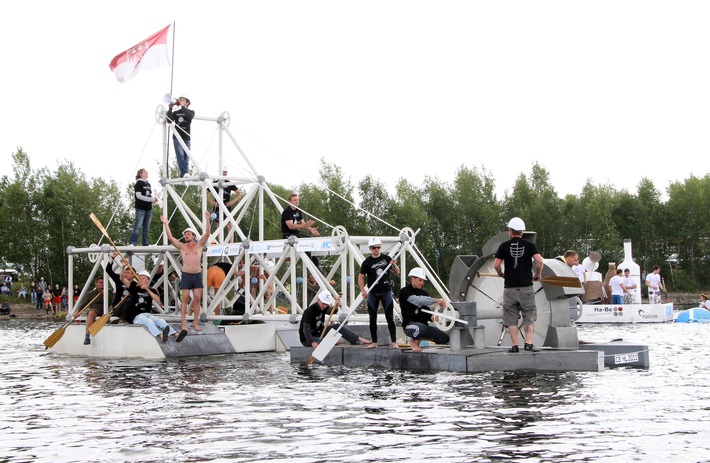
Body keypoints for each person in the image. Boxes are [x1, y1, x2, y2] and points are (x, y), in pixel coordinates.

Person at [493, 217, 544, 353]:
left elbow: (496, 264)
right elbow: (539, 261)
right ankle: (528, 344)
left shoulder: (503, 246)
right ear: (522, 231)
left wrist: (501, 273)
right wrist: (538, 274)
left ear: (510, 231)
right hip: (526, 287)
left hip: (509, 288)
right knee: (528, 315)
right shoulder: (529, 245)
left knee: (511, 318)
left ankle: (515, 346)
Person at [160, 211, 211, 332]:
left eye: (188, 234)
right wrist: (166, 224)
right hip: (187, 275)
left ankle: (195, 322)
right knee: (185, 298)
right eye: (185, 234)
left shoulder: (199, 245)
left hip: (197, 275)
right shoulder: (182, 247)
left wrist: (208, 220)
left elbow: (207, 234)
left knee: (197, 298)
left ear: (193, 236)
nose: (186, 236)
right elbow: (171, 238)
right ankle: (183, 322)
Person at [358, 237, 400, 348]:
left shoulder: (387, 259)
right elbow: (361, 277)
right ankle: (374, 342)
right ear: (370, 249)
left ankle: (394, 342)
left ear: (380, 247)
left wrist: (394, 265)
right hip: (373, 292)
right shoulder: (366, 262)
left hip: (386, 291)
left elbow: (397, 272)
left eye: (378, 247)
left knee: (389, 317)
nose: (376, 249)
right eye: (373, 248)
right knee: (372, 318)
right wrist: (363, 290)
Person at [124, 271, 186, 343]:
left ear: (148, 280)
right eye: (139, 278)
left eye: (143, 278)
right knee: (149, 322)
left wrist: (147, 289)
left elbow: (157, 300)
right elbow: (123, 279)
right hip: (137, 316)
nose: (140, 280)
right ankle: (161, 336)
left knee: (160, 321)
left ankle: (176, 334)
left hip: (148, 314)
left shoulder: (152, 290)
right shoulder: (134, 288)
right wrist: (123, 267)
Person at [398, 267, 450, 352]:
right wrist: (435, 300)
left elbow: (426, 310)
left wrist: (433, 317)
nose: (422, 283)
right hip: (410, 325)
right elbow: (418, 301)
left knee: (444, 338)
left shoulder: (423, 293)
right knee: (420, 328)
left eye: (423, 281)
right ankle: (412, 342)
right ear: (412, 278)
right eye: (420, 280)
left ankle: (420, 338)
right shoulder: (405, 292)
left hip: (424, 326)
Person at [299, 291, 371, 348]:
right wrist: (312, 342)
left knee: (337, 326)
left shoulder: (325, 307)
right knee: (325, 341)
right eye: (323, 304)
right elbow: (306, 329)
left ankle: (357, 339)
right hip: (308, 338)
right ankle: (331, 342)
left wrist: (336, 306)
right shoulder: (309, 311)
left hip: (320, 332)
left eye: (326, 304)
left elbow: (331, 311)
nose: (324, 306)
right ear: (318, 300)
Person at [281, 193, 320, 268]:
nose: (297, 201)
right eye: (294, 200)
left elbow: (303, 224)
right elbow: (291, 226)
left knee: (311, 240)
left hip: (296, 235)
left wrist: (311, 229)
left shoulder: (298, 211)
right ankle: (309, 263)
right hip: (288, 236)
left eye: (298, 200)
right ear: (289, 201)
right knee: (304, 242)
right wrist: (305, 225)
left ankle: (314, 261)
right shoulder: (287, 211)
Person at [208, 169, 242, 240]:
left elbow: (239, 193)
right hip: (218, 206)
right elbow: (205, 192)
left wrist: (232, 202)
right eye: (223, 172)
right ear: (220, 172)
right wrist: (212, 202)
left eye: (226, 172)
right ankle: (220, 242)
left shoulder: (229, 183)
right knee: (219, 224)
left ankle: (231, 243)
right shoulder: (215, 183)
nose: (224, 174)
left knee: (229, 225)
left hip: (227, 206)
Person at [129, 168, 159, 246]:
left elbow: (149, 194)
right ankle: (133, 242)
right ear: (141, 174)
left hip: (148, 208)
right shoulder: (138, 184)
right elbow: (139, 196)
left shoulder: (148, 184)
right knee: (137, 226)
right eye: (145, 172)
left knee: (146, 227)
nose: (147, 173)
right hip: (141, 208)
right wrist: (151, 199)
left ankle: (145, 243)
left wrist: (154, 199)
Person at [72, 276, 106, 345]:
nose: (102, 284)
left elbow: (114, 302)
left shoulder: (109, 292)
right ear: (96, 284)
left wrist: (105, 295)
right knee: (91, 313)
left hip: (106, 310)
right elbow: (83, 304)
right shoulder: (90, 294)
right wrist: (77, 312)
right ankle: (87, 336)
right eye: (100, 283)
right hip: (95, 310)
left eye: (103, 283)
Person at [167, 96, 195, 178]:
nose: (181, 101)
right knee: (180, 155)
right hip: (177, 136)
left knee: (187, 157)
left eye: (183, 100)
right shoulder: (176, 112)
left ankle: (183, 174)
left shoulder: (191, 112)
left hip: (186, 136)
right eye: (180, 100)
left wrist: (183, 107)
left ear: (187, 103)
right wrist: (170, 109)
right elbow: (169, 120)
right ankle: (184, 173)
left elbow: (189, 116)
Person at [105, 254, 133, 323]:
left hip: (129, 309)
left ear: (133, 275)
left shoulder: (135, 285)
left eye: (128, 273)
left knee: (129, 300)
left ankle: (123, 320)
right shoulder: (119, 280)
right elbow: (108, 270)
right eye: (125, 272)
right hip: (117, 307)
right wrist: (112, 258)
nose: (126, 274)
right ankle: (121, 320)